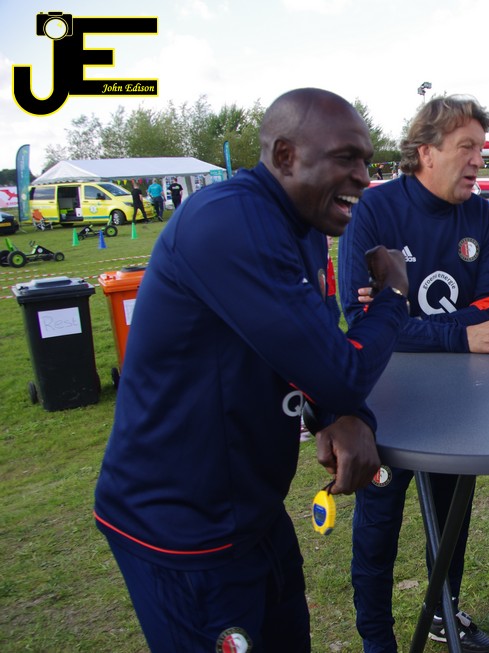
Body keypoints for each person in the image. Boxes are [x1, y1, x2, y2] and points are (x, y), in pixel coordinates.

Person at [93, 88, 411, 652]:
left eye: (366, 160)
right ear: (286, 156)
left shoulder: (303, 226)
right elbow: (341, 371)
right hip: (183, 526)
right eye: (346, 158)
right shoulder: (228, 221)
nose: (364, 176)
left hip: (251, 509)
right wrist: (392, 296)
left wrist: (342, 414)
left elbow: (310, 350)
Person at [339, 94, 489, 653]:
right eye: (466, 147)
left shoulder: (480, 214)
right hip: (387, 401)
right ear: (426, 151)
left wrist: (409, 322)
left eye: (481, 148)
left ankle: (445, 612)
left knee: (450, 518)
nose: (479, 160)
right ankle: (377, 640)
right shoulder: (375, 211)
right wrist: (459, 332)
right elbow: (363, 321)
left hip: (457, 399)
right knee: (379, 521)